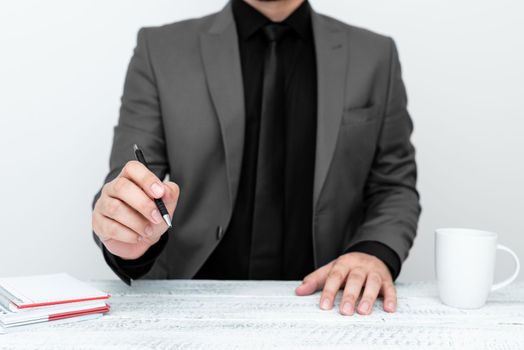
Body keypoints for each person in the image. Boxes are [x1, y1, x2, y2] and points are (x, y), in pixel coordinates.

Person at [92, 0, 421, 316]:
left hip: (329, 305)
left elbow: (394, 185)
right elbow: (128, 180)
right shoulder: (159, 48)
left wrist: (374, 252)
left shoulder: (375, 54)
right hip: (191, 303)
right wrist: (126, 231)